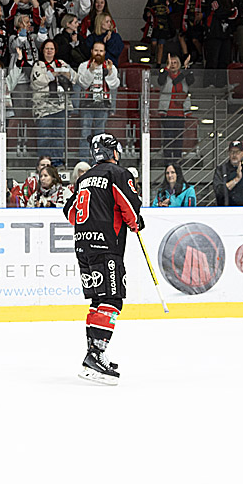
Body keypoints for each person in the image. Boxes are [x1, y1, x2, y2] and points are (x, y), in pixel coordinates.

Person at [62, 133, 142, 385]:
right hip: (106, 246)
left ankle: (93, 353)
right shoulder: (118, 174)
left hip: (83, 246)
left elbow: (70, 212)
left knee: (99, 299)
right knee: (112, 299)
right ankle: (96, 355)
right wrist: (136, 222)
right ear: (113, 152)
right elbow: (131, 209)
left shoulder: (84, 178)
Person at [31, 39, 75, 167]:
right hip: (43, 107)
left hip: (60, 107)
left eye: (52, 49)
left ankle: (57, 162)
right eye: (47, 49)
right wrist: (53, 74)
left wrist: (67, 74)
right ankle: (45, 164)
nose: (49, 51)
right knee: (45, 135)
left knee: (58, 135)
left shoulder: (61, 63)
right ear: (43, 51)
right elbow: (36, 83)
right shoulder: (38, 65)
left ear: (55, 51)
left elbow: (75, 77)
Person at [76, 41, 119, 154]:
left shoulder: (111, 67)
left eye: (101, 51)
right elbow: (83, 84)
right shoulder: (84, 66)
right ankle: (84, 160)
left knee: (100, 134)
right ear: (91, 51)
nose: (98, 53)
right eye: (96, 50)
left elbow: (114, 85)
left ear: (104, 52)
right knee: (85, 133)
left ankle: (98, 160)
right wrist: (90, 70)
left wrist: (109, 73)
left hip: (103, 105)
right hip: (87, 104)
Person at [155, 52, 194, 162]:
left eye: (175, 62)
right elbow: (160, 81)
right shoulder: (165, 74)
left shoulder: (184, 74)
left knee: (178, 139)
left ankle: (177, 163)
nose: (173, 65)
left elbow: (191, 81)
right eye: (170, 63)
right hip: (167, 112)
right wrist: (166, 68)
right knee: (168, 137)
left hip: (180, 112)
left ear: (179, 64)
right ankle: (168, 162)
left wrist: (187, 68)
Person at [204, 0, 239, 86]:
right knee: (213, 59)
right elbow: (219, 12)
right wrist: (231, 11)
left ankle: (221, 83)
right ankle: (209, 83)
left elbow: (235, 14)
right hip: (214, 33)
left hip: (226, 34)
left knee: (225, 60)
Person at [212, 139, 243, 206]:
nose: (234, 155)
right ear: (228, 153)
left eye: (237, 152)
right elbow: (219, 192)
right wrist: (236, 179)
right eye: (232, 152)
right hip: (226, 211)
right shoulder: (221, 169)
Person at [144, 0, 175, 66]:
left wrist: (169, 10)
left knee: (161, 45)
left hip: (164, 26)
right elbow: (146, 11)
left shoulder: (168, 0)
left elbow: (172, 9)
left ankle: (158, 63)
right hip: (154, 26)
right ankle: (153, 54)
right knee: (154, 43)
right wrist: (148, 14)